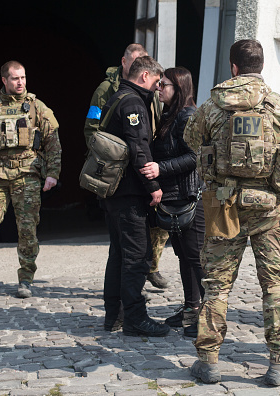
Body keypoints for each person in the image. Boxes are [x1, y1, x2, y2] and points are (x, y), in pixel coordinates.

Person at [184, 39, 280, 386]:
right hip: (270, 210)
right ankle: (279, 362)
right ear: (260, 66)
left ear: (234, 67)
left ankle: (209, 360)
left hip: (222, 207)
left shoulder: (213, 106)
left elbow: (191, 138)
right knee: (274, 285)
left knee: (216, 286)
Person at [0, 60, 62, 299]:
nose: (21, 82)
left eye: (23, 77)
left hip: (27, 177)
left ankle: (26, 279)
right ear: (4, 81)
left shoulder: (37, 108)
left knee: (27, 230)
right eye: (15, 78)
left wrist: (52, 174)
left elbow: (53, 144)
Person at [83, 43, 169, 290]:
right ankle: (132, 310)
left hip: (139, 168)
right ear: (125, 62)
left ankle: (118, 309)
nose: (157, 86)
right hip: (126, 174)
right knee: (132, 251)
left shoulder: (140, 95)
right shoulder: (111, 92)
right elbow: (95, 130)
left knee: (122, 251)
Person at [100, 55, 170, 337]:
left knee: (118, 254)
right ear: (144, 76)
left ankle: (113, 315)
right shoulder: (133, 103)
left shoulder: (117, 96)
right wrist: (153, 186)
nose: (157, 88)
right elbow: (138, 148)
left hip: (113, 190)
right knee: (137, 256)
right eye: (156, 82)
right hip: (129, 192)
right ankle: (135, 318)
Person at [139, 67, 205, 337]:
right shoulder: (170, 115)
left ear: (179, 89)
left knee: (196, 257)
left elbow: (194, 157)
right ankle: (191, 308)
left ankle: (205, 316)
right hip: (174, 198)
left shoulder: (188, 115)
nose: (159, 88)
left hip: (189, 197)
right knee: (183, 255)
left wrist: (159, 169)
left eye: (164, 85)